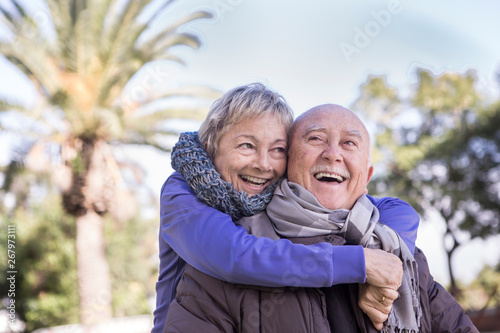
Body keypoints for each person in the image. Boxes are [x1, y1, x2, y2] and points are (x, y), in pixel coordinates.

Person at [152, 83, 420, 332]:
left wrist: (385, 254)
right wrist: (360, 263)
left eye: (278, 150)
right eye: (247, 145)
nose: (263, 164)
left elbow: (396, 209)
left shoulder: (272, 193)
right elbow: (234, 255)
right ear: (211, 147)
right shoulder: (182, 190)